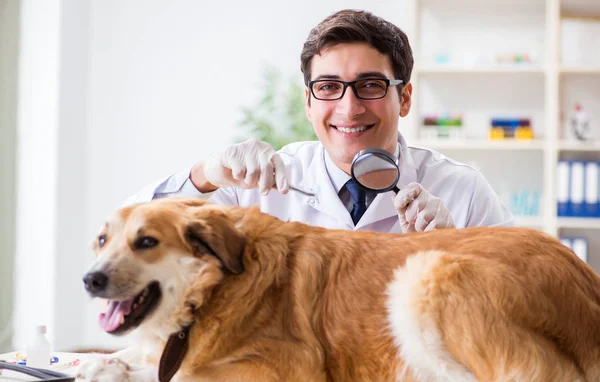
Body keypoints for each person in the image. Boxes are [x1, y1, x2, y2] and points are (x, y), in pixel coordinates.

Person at [125, 9, 514, 233]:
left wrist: (458, 254)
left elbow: (524, 309)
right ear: (308, 103)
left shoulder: (462, 191)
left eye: (371, 85)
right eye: (328, 87)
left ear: (405, 98)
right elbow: (132, 230)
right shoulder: (257, 188)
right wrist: (205, 175)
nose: (349, 108)